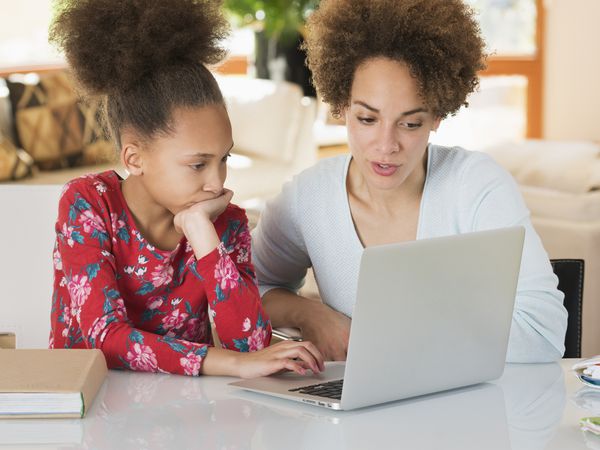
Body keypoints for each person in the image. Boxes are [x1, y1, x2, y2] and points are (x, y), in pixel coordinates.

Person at [252, 0, 568, 363]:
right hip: (359, 411)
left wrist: (393, 341)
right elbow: (245, 292)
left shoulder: (476, 186)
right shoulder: (306, 198)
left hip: (468, 410)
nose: (386, 146)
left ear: (437, 115)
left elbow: (544, 333)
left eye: (410, 123)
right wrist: (311, 314)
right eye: (367, 119)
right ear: (341, 107)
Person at [48, 0, 324, 378]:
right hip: (90, 409)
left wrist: (203, 237)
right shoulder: (88, 204)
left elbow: (250, 345)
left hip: (184, 413)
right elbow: (104, 337)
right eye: (198, 164)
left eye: (224, 158)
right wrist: (231, 364)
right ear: (134, 158)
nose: (217, 182)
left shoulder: (223, 223)